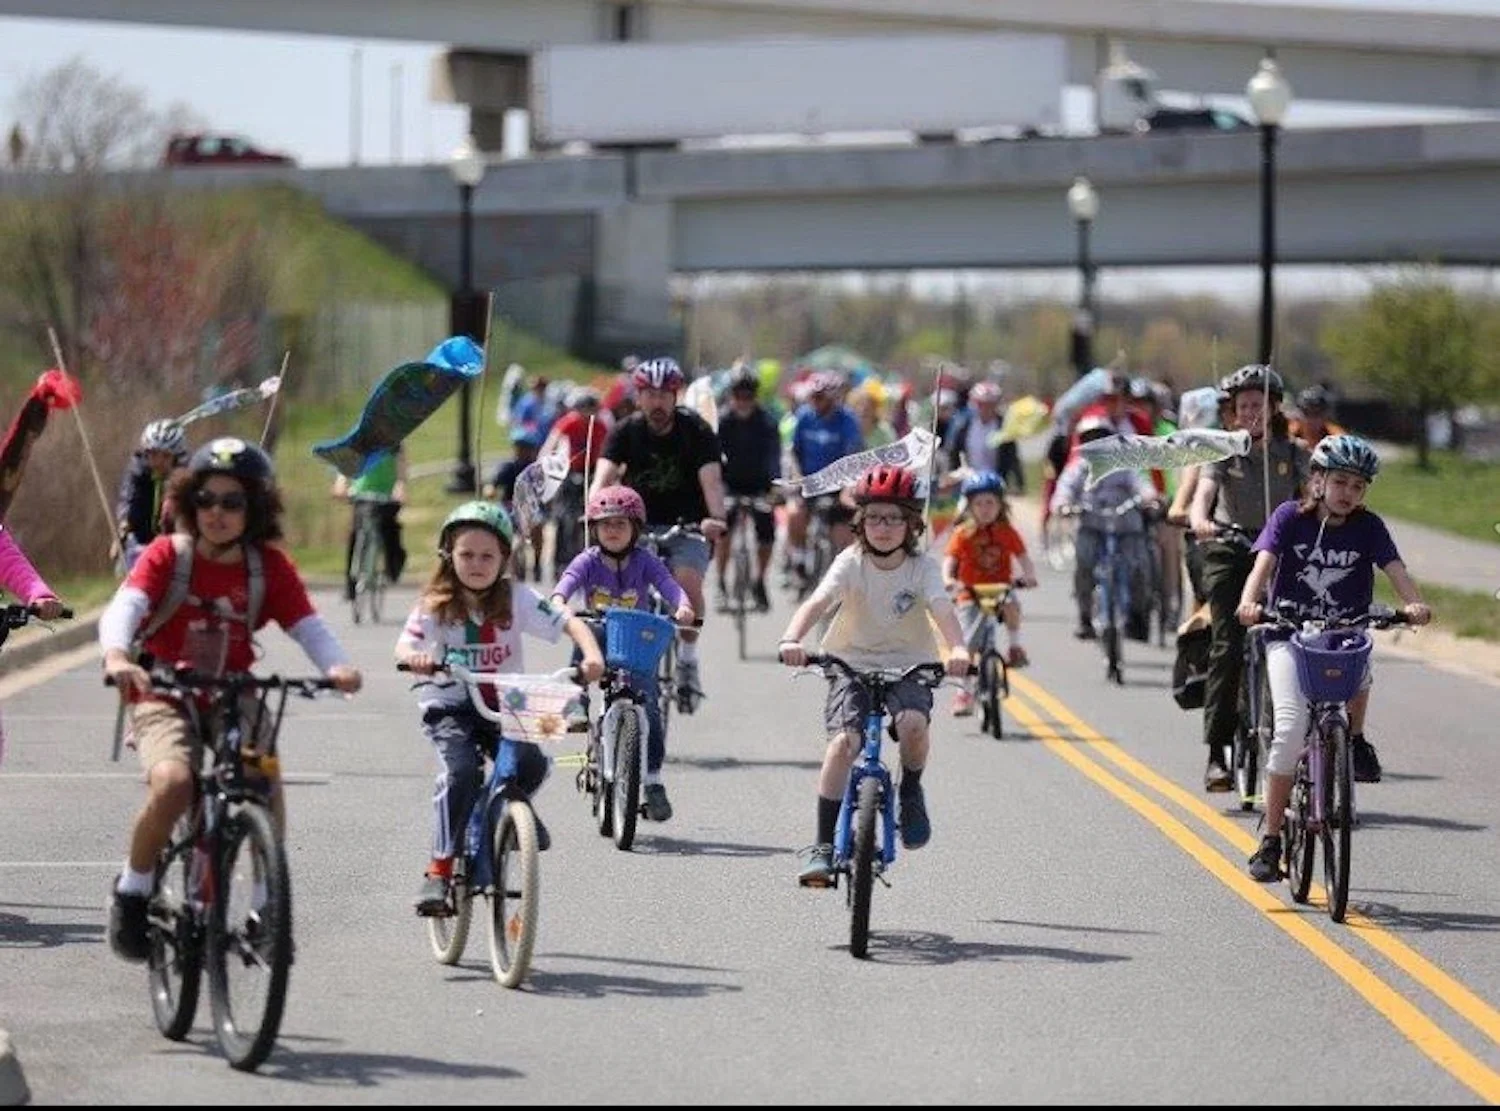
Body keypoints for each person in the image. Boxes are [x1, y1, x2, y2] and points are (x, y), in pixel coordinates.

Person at [99, 437, 363, 962]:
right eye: (206, 500)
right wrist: (117, 657)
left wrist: (336, 667)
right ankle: (133, 889)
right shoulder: (166, 556)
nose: (217, 513)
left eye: (233, 502)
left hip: (233, 689)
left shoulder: (266, 567)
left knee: (263, 779)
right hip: (164, 690)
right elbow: (124, 608)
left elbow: (307, 626)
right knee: (174, 783)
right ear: (188, 502)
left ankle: (268, 907)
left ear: (255, 509)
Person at [1236, 434, 1430, 881]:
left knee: (1361, 671)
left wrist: (1413, 604)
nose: (1348, 493)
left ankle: (1354, 740)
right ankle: (1271, 839)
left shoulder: (1370, 527)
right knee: (1288, 729)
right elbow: (1262, 564)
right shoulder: (1289, 517)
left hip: (1344, 632)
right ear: (1317, 480)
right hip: (1288, 634)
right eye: (1340, 481)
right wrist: (1250, 604)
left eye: (1358, 486)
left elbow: (1396, 570)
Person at [397, 501, 604, 914]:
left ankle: (510, 807)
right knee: (461, 773)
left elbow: (569, 621)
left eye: (487, 556)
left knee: (534, 765)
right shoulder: (435, 604)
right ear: (448, 556)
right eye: (466, 555)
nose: (476, 564)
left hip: (509, 701)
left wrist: (590, 655)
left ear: (504, 559)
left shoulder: (517, 597)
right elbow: (406, 643)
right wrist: (415, 657)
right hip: (452, 703)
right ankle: (439, 870)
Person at [776, 465, 970, 887]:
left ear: (911, 524)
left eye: (894, 518)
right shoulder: (851, 561)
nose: (884, 527)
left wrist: (957, 648)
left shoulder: (922, 567)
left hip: (911, 661)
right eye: (875, 518)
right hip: (850, 661)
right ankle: (823, 845)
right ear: (860, 523)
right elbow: (818, 602)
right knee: (844, 744)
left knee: (912, 723)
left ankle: (912, 790)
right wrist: (793, 638)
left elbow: (942, 609)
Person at [1189, 365, 1309, 793]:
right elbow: (1203, 497)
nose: (1250, 413)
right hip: (1229, 550)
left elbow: (1311, 497)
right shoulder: (1222, 451)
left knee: (1303, 638)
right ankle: (1217, 753)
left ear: (1274, 407)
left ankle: (1308, 745)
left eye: (1258, 405)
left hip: (1279, 556)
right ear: (1232, 413)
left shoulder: (1295, 454)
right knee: (1228, 644)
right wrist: (1200, 520)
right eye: (1243, 407)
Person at [551, 486, 695, 822]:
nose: (612, 531)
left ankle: (654, 780)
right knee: (582, 633)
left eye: (620, 524)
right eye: (605, 524)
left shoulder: (646, 561)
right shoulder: (587, 560)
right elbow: (568, 582)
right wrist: (559, 601)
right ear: (594, 529)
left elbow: (669, 587)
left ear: (636, 529)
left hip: (634, 640)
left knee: (651, 710)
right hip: (599, 635)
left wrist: (683, 606)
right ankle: (577, 701)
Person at [591, 356, 726, 712]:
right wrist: (592, 510)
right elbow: (603, 477)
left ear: (676, 395)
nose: (657, 402)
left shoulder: (697, 431)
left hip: (688, 525)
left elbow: (711, 481)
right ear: (638, 397)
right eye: (649, 394)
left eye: (664, 394)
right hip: (636, 526)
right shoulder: (626, 431)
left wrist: (717, 518)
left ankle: (687, 658)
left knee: (686, 583)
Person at [1050, 414, 1159, 641]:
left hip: (1127, 527)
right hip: (1092, 526)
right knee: (1084, 567)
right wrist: (1063, 505)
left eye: (1101, 438)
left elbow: (1142, 484)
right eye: (1090, 439)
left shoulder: (1125, 463)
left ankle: (1137, 617)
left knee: (1139, 569)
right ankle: (1085, 617)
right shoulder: (1079, 467)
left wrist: (1149, 498)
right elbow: (1065, 488)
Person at [942, 470, 1036, 717]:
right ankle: (964, 690)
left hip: (1000, 589)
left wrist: (1029, 575)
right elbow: (950, 561)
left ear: (1000, 505)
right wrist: (949, 580)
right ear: (969, 506)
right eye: (979, 503)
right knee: (969, 642)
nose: (985, 509)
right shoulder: (963, 533)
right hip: (970, 593)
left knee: (1012, 607)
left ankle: (1015, 647)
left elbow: (1024, 558)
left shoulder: (1007, 532)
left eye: (990, 503)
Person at [785, 371, 864, 584]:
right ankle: (799, 558)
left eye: (820, 397)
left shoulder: (848, 420)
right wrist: (797, 478)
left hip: (838, 484)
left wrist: (848, 486)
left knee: (843, 534)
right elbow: (793, 452)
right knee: (795, 515)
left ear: (833, 398)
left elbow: (853, 455)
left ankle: (842, 577)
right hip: (809, 481)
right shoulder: (804, 416)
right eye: (813, 397)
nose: (815, 402)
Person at [714, 365, 781, 613]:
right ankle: (721, 582)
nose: (743, 401)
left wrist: (776, 487)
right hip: (728, 484)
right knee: (724, 530)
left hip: (759, 485)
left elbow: (774, 457)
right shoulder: (721, 421)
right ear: (731, 395)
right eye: (738, 395)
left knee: (767, 535)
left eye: (748, 395)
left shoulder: (767, 422)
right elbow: (712, 459)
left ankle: (759, 581)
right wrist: (715, 490)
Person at [331, 443, 407, 602]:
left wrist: (400, 489)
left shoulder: (394, 444)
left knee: (390, 531)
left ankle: (393, 566)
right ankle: (351, 585)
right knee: (355, 533)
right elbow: (346, 466)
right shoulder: (361, 440)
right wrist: (341, 484)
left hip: (385, 497)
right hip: (361, 496)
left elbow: (401, 472)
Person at [116, 419, 189, 571]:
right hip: (141, 544)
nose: (159, 461)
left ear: (176, 456)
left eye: (166, 456)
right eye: (154, 454)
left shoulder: (185, 480)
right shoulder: (137, 475)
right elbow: (129, 499)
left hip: (174, 545)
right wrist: (124, 525)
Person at [485, 427, 544, 580]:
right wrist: (490, 489)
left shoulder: (536, 469)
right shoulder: (508, 467)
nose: (522, 451)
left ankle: (537, 561)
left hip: (529, 506)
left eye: (526, 447)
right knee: (502, 527)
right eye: (519, 447)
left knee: (537, 526)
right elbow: (494, 483)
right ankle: (507, 561)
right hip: (508, 505)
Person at [1287, 384, 1346, 449]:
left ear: (1325, 415)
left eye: (1317, 414)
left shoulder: (1336, 436)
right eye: (1307, 413)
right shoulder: (1290, 433)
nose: (1312, 420)